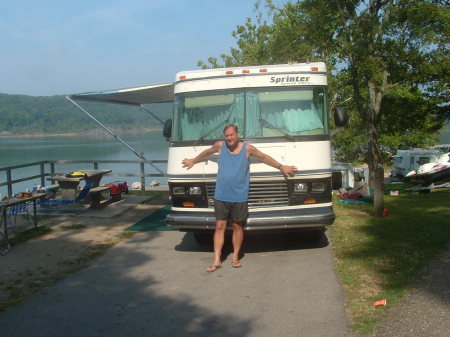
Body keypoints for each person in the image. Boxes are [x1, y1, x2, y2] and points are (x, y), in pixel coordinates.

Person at [182, 124, 297, 272]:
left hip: (239, 196)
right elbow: (206, 152)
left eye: (232, 135)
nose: (229, 138)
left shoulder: (247, 149)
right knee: (219, 227)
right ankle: (216, 260)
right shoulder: (220, 146)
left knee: (237, 227)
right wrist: (193, 160)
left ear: (237, 134)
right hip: (221, 195)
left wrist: (281, 167)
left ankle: (235, 257)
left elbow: (264, 157)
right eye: (227, 136)